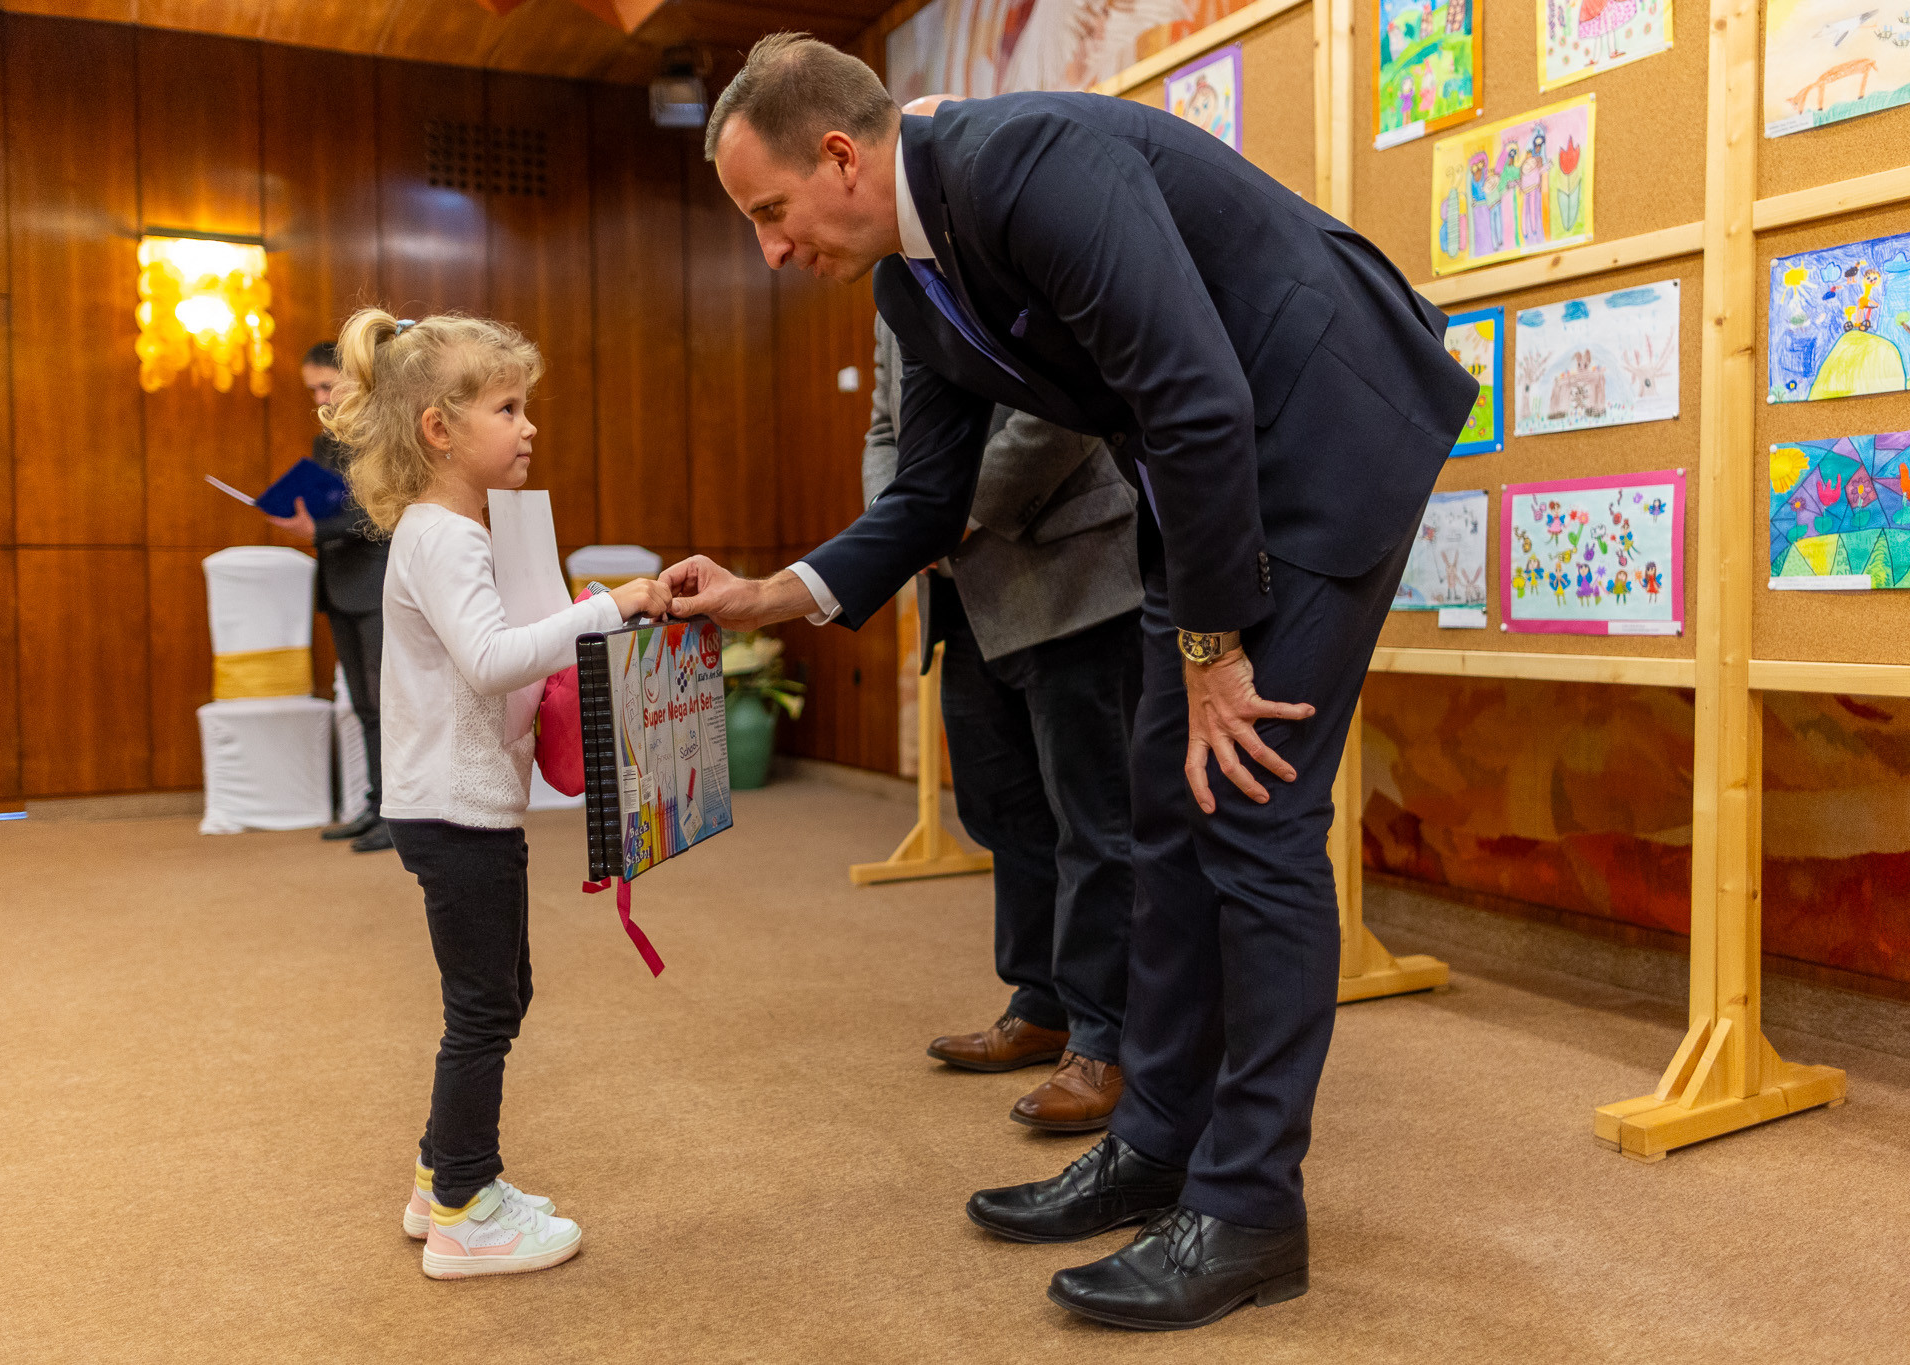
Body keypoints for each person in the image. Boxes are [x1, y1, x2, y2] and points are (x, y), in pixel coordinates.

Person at [664, 35, 1476, 1331]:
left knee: (1250, 812)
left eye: (769, 212)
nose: (768, 251)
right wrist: (773, 594)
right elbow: (930, 499)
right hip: (1199, 480)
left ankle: (1250, 1208)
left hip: (1323, 425)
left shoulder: (1025, 160)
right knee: (1162, 806)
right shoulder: (910, 285)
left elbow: (1194, 391)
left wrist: (1212, 652)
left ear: (840, 156)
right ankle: (1156, 1144)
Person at [322, 307, 673, 1280]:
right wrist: (611, 607)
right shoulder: (444, 538)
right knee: (482, 1009)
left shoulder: (452, 529)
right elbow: (487, 659)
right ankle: (465, 1212)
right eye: (508, 409)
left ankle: (439, 1174)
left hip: (461, 801)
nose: (529, 427)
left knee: (501, 992)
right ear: (438, 429)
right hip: (454, 807)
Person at [865, 312, 1144, 1133]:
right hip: (958, 589)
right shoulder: (892, 285)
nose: (784, 255)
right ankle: (1043, 1002)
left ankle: (1108, 1039)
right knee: (1001, 809)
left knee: (1094, 819)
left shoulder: (1020, 247)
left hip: (1071, 573)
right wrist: (896, 522)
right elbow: (883, 426)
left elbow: (1070, 403)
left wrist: (945, 509)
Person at [263, 341, 392, 853]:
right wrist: (305, 519)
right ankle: (376, 804)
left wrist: (314, 528)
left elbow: (382, 512)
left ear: (353, 379)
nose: (319, 399)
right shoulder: (325, 441)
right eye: (312, 390)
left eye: (326, 387)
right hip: (338, 581)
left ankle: (398, 815)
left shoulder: (383, 433)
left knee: (387, 703)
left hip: (378, 581)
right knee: (363, 704)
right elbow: (330, 507)